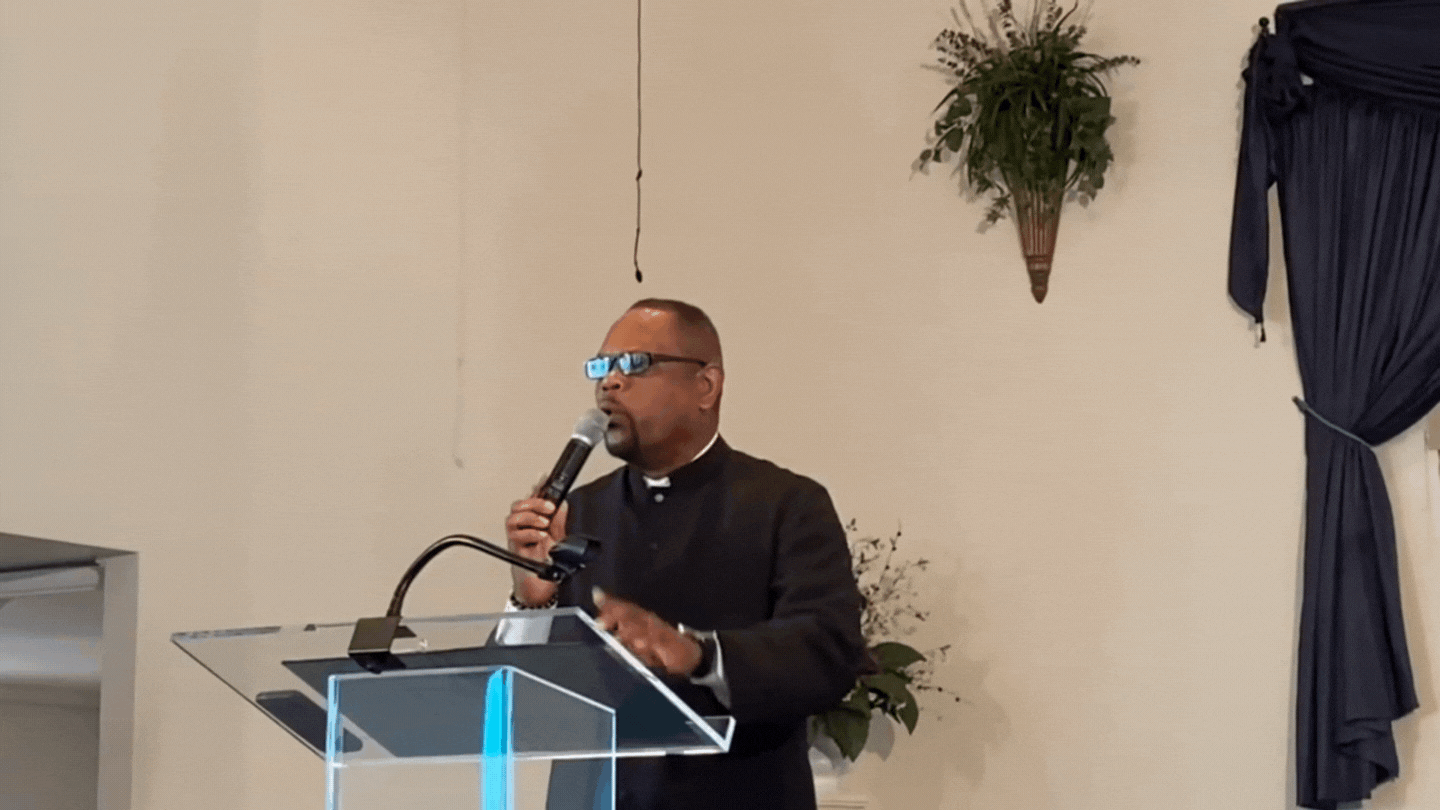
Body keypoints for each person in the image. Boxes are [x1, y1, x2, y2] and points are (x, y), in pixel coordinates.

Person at [504, 298, 866, 810]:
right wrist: (532, 598)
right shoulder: (577, 513)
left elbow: (826, 652)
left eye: (635, 364)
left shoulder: (785, 503)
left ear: (706, 386)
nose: (610, 383)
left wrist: (700, 654)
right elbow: (518, 704)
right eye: (601, 367)